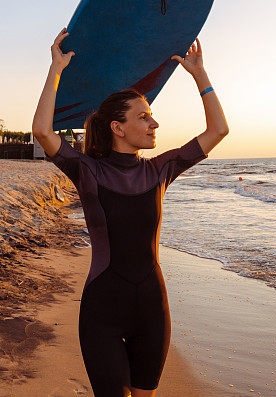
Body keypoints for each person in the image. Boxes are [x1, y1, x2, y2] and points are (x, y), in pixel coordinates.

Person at [32, 28, 229, 397]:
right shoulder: (88, 170)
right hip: (102, 312)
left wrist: (200, 75)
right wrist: (56, 70)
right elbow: (42, 131)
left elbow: (219, 129)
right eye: (144, 117)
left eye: (152, 116)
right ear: (117, 128)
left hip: (153, 311)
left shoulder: (159, 170)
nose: (154, 124)